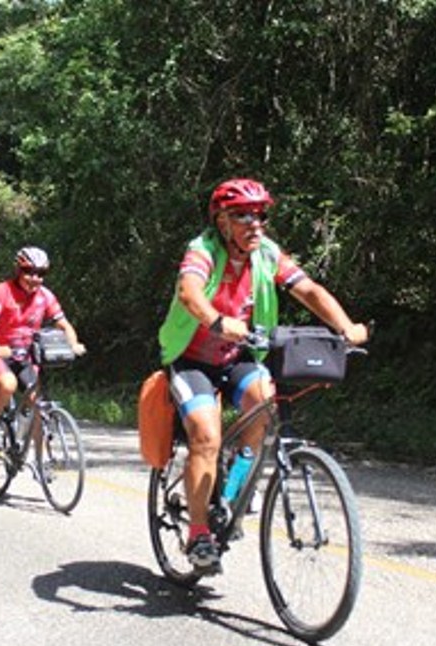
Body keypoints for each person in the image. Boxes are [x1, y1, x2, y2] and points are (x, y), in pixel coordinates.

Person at [158, 178, 369, 573]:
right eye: (242, 215)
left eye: (260, 215)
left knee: (265, 402)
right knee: (205, 435)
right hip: (191, 360)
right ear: (221, 221)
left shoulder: (267, 254)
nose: (254, 223)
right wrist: (216, 321)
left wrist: (346, 326)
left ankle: (236, 485)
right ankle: (198, 533)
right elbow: (189, 292)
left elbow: (309, 290)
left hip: (239, 356)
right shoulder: (203, 249)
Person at [0, 246, 86, 452]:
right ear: (18, 271)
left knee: (36, 402)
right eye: (29, 272)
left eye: (41, 274)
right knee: (8, 385)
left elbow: (63, 324)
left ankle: (37, 456)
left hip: (27, 355)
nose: (34, 278)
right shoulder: (2, 291)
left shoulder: (45, 296)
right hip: (3, 354)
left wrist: (73, 344)